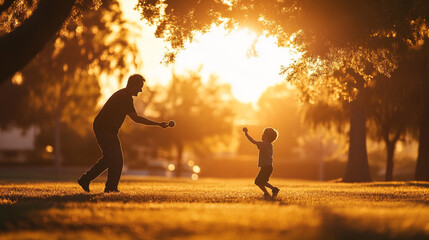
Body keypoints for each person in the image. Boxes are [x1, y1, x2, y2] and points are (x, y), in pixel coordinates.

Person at [78, 74, 170, 193]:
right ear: (133, 85)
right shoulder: (125, 97)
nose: (141, 90)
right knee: (117, 159)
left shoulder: (124, 95)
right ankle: (111, 188)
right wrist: (158, 124)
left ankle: (86, 180)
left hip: (107, 129)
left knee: (109, 159)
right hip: (104, 129)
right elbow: (136, 119)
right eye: (140, 87)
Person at [243, 127, 280, 198]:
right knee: (259, 182)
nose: (262, 135)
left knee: (259, 181)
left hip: (266, 167)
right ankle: (267, 193)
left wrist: (246, 134)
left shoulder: (264, 144)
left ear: (267, 137)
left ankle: (274, 189)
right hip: (268, 167)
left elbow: (253, 141)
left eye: (264, 134)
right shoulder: (269, 145)